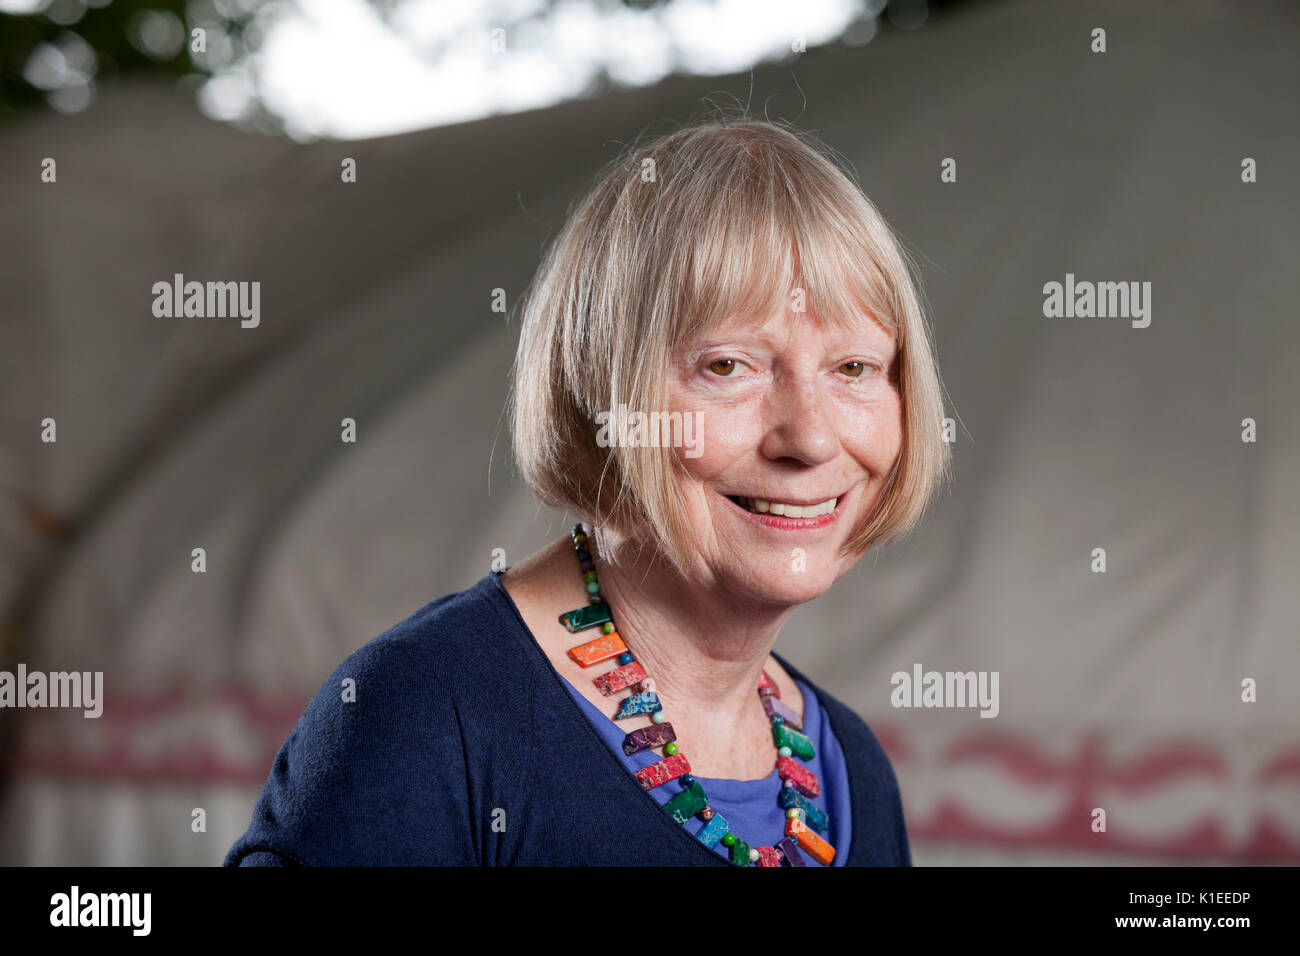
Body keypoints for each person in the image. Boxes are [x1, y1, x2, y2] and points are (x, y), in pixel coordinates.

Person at [224, 113, 950, 866]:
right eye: (729, 366)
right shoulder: (426, 719)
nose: (811, 438)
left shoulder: (851, 776)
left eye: (855, 369)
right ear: (602, 394)